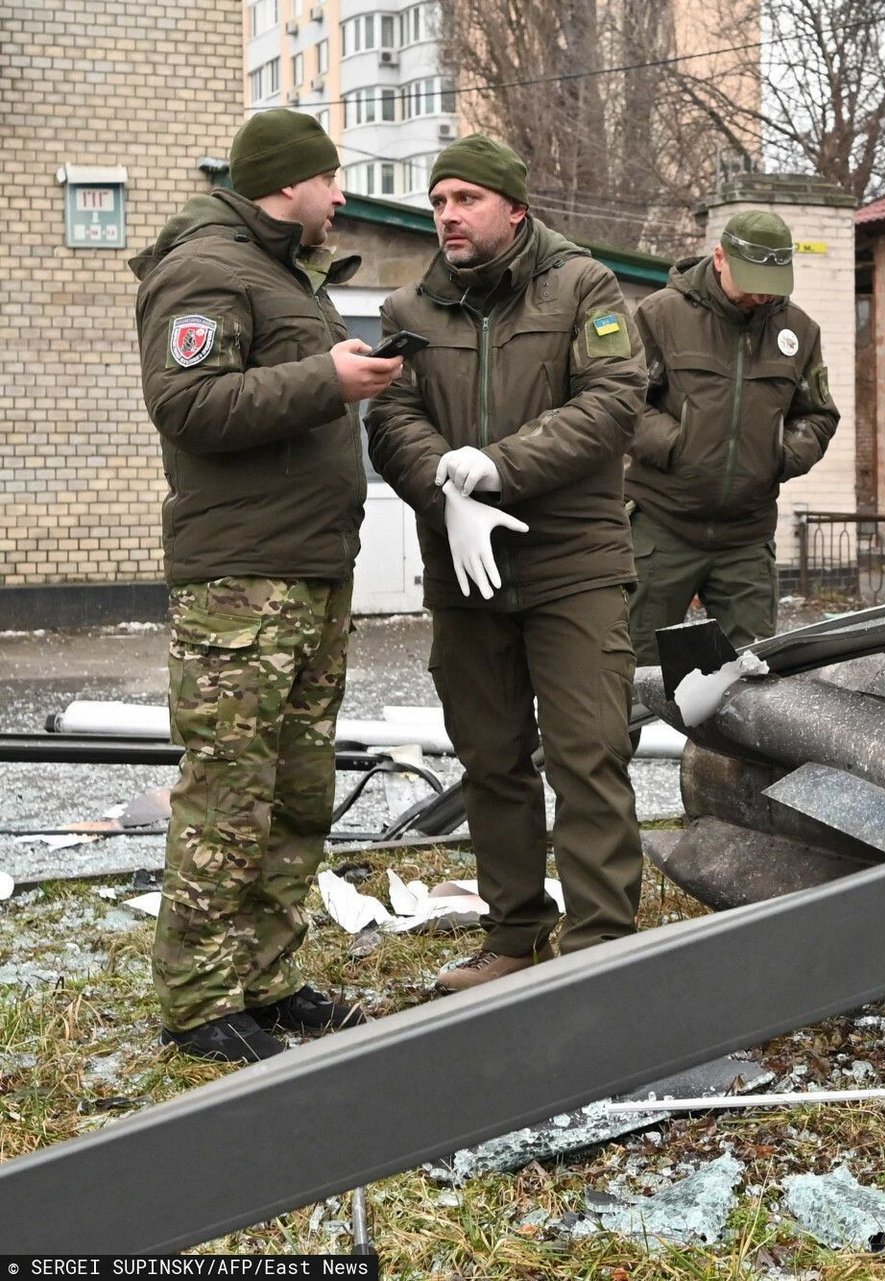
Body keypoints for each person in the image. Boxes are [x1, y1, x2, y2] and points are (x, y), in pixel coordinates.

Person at [131, 109, 402, 1062]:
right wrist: (325, 380)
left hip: (308, 567)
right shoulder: (206, 266)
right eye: (333, 181)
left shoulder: (283, 271)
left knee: (297, 787)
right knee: (230, 792)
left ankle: (270, 978)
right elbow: (187, 403)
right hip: (241, 579)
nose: (340, 200)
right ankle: (200, 1000)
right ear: (292, 182)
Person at [365, 136, 648, 992]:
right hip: (466, 571)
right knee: (490, 756)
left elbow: (613, 400)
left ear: (514, 209)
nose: (447, 214)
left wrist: (498, 464)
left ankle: (600, 947)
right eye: (439, 200)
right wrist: (442, 486)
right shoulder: (410, 308)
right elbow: (390, 416)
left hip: (573, 562)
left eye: (467, 200)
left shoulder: (584, 287)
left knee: (587, 751)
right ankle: (515, 933)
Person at [624, 211, 839, 663]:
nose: (762, 294)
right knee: (631, 673)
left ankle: (708, 740)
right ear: (719, 257)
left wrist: (778, 457)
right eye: (752, 280)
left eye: (772, 283)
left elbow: (818, 415)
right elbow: (623, 403)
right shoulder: (661, 315)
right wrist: (676, 445)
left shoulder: (798, 331)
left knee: (752, 678)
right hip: (663, 527)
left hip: (745, 535)